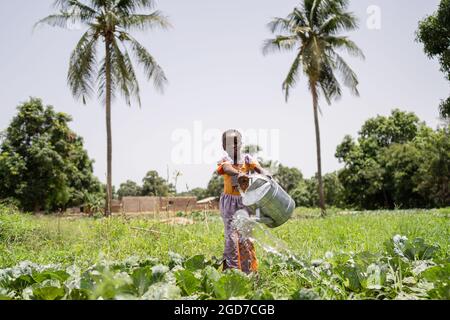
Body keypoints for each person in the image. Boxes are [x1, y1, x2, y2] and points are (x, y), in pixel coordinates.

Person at [217, 129, 269, 274]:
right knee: (232, 239)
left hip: (246, 203)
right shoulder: (225, 160)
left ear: (241, 143)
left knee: (246, 238)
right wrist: (239, 173)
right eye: (229, 143)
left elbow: (259, 169)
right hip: (230, 204)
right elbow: (226, 169)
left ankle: (249, 272)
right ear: (223, 146)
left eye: (236, 142)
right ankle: (232, 272)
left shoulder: (247, 159)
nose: (233, 146)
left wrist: (266, 175)